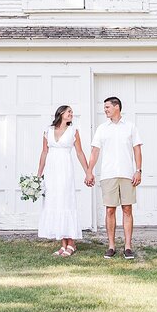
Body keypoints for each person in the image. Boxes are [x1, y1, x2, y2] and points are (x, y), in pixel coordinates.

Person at [86, 96, 143, 259]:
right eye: (104, 107)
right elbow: (95, 151)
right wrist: (89, 171)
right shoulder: (102, 128)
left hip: (127, 174)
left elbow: (137, 149)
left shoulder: (130, 127)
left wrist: (138, 170)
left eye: (107, 107)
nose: (105, 110)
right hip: (108, 174)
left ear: (117, 107)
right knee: (110, 210)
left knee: (127, 209)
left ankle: (128, 247)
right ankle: (111, 246)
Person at [37, 105, 90, 256]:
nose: (72, 114)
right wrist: (39, 174)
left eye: (72, 112)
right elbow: (44, 152)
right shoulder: (48, 131)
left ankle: (71, 243)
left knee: (66, 202)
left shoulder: (74, 131)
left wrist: (88, 172)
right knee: (55, 202)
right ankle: (63, 243)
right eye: (69, 112)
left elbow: (79, 153)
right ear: (61, 113)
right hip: (52, 171)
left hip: (65, 169)